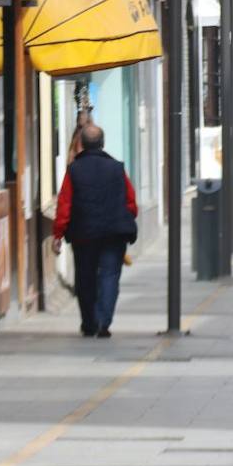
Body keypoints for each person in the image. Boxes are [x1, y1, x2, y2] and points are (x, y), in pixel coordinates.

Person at [52, 124, 138, 338]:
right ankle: (104, 321)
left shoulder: (74, 170)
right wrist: (125, 218)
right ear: (102, 143)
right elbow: (131, 202)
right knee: (110, 276)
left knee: (85, 277)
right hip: (114, 233)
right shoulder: (117, 168)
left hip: (84, 235)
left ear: (81, 143)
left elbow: (65, 205)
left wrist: (58, 234)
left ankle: (89, 322)